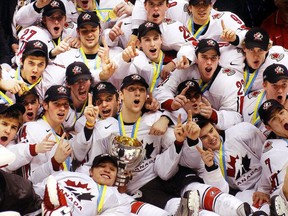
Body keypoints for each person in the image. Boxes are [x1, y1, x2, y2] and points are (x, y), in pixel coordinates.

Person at [154, 38, 244, 130]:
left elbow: (237, 118)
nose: (209, 62)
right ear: (196, 57)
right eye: (204, 57)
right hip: (183, 120)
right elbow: (160, 90)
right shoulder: (185, 69)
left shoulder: (230, 80)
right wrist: (171, 104)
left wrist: (214, 115)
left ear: (219, 59)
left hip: (212, 129)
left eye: (213, 58)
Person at [16, 85, 94, 184]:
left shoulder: (69, 136)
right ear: (45, 105)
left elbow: (80, 154)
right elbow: (28, 181)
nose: (62, 109)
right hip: (39, 196)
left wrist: (89, 124)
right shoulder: (31, 128)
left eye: (66, 105)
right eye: (56, 104)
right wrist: (55, 161)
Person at [54, 11, 129, 89]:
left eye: (93, 30)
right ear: (78, 32)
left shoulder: (115, 53)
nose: (89, 34)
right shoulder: (66, 56)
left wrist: (127, 57)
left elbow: (123, 80)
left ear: (100, 30)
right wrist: (101, 75)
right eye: (84, 31)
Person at [253, 99, 288, 213]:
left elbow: (265, 179)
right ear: (268, 127)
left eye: (281, 112)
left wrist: (262, 188)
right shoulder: (272, 149)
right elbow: (286, 190)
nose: (281, 118)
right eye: (274, 119)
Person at [242, 63, 288, 137]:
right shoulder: (248, 101)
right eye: (275, 85)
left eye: (284, 85)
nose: (280, 90)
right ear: (264, 85)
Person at [240, 27, 288, 95]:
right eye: (251, 49)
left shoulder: (280, 57)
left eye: (260, 50)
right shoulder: (234, 60)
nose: (256, 56)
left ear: (268, 48)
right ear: (244, 47)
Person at [0, 39, 48, 105]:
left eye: (40, 65)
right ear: (21, 61)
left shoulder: (47, 88)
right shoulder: (6, 75)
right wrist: (1, 83)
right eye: (31, 63)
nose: (35, 70)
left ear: (46, 66)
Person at [63, 61, 92, 132]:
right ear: (68, 84)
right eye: (77, 81)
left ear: (90, 80)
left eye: (85, 80)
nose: (82, 86)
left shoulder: (97, 100)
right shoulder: (61, 102)